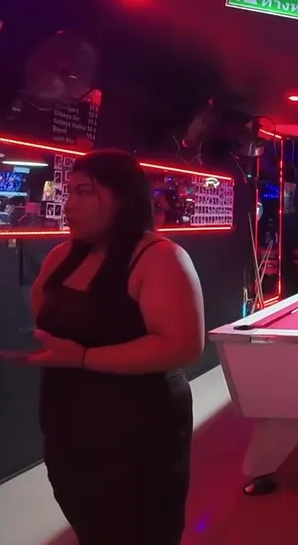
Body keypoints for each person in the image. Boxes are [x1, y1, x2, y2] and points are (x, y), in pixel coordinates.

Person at [26, 150, 204, 545]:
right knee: (88, 520)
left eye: (84, 192)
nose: (69, 205)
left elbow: (182, 346)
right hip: (67, 417)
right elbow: (44, 314)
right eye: (68, 192)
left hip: (139, 425)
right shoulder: (60, 256)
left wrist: (84, 358)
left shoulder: (160, 257)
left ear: (123, 197)